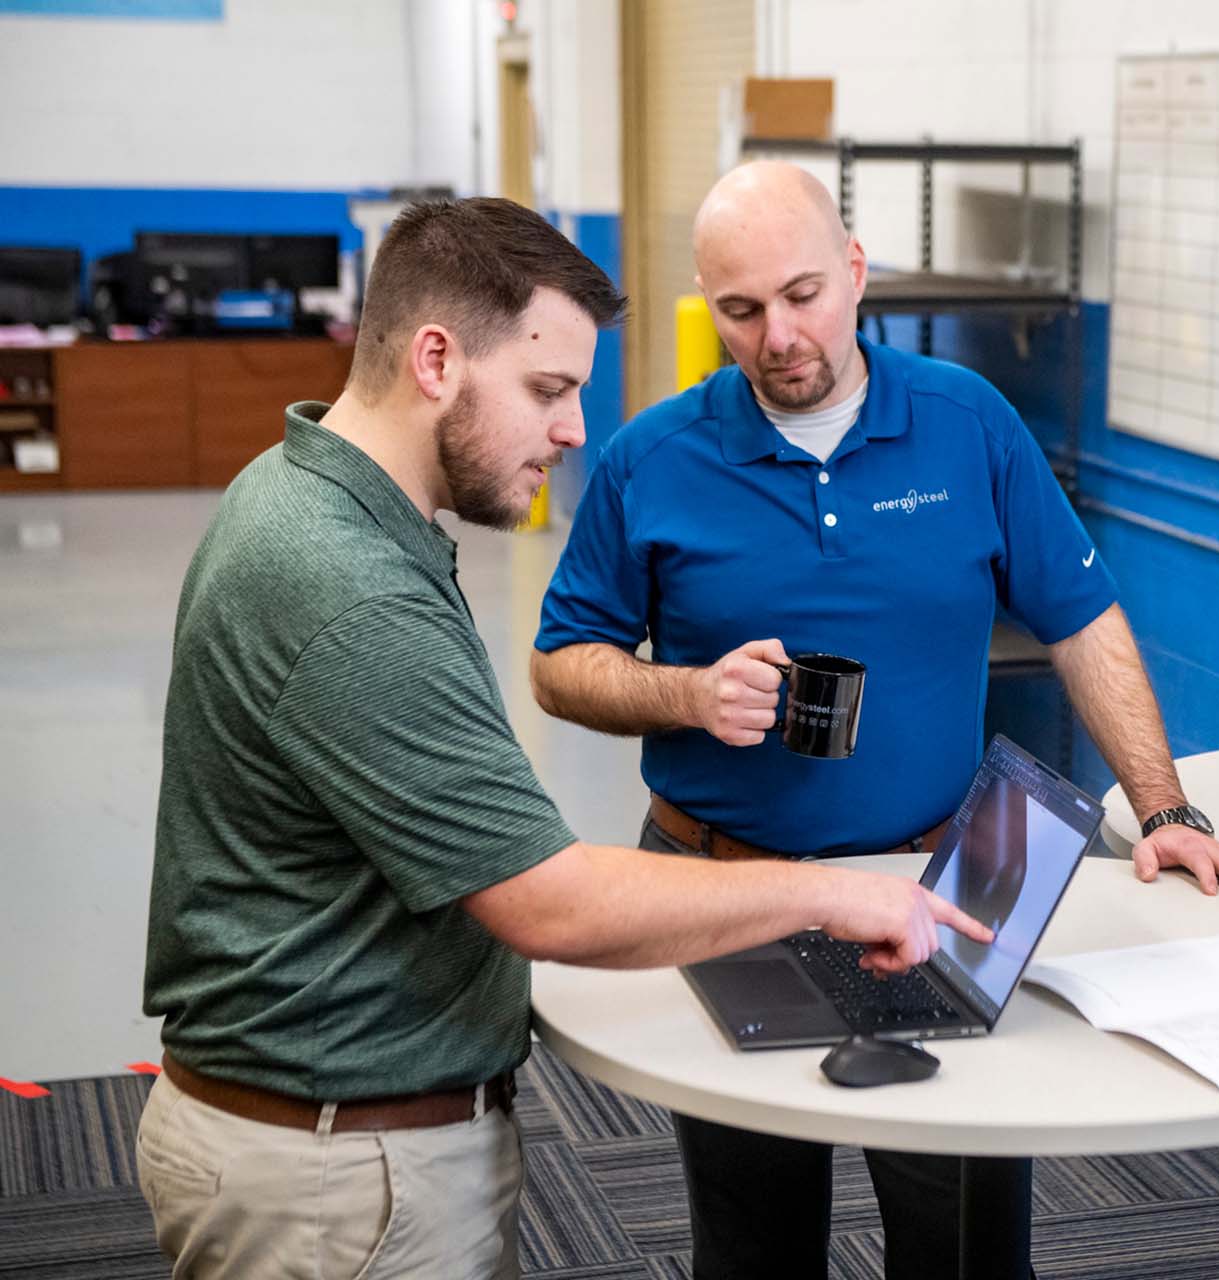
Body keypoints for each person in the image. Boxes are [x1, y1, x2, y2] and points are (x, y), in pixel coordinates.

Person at [137, 196, 990, 1280]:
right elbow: (550, 902)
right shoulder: (348, 586)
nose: (577, 429)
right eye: (547, 389)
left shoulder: (310, 498)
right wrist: (832, 894)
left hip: (334, 1134)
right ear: (436, 360)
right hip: (337, 1178)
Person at [530, 162, 1219, 1280]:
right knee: (754, 1242)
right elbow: (560, 666)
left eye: (803, 295)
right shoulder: (653, 456)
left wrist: (1164, 807)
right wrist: (685, 692)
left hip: (938, 885)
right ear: (707, 305)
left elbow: (1082, 618)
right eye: (742, 309)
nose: (780, 336)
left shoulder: (967, 422)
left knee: (963, 1236)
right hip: (724, 888)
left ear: (855, 271)